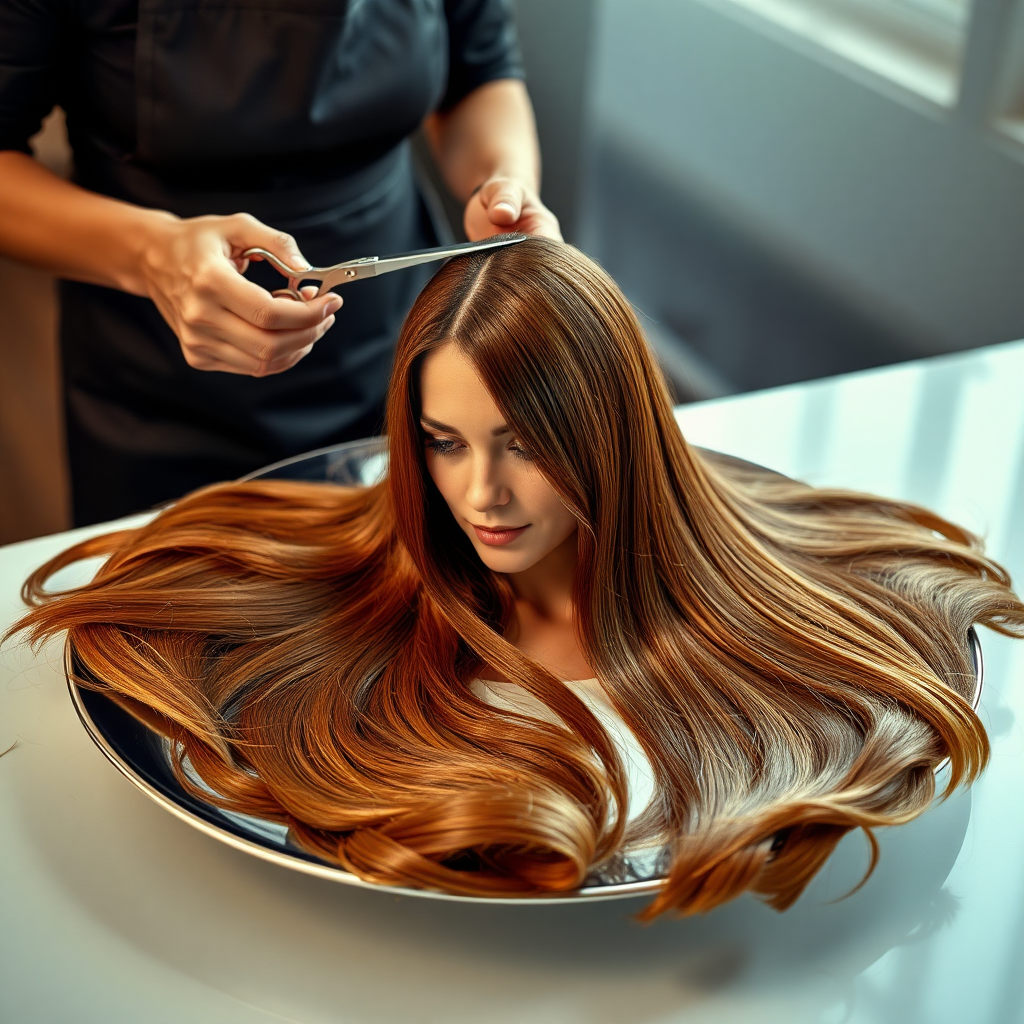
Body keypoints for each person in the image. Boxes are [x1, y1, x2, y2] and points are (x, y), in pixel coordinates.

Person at [11, 238, 1024, 918]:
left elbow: (480, 58)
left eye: (524, 445)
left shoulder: (777, 645)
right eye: (443, 443)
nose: (480, 493)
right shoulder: (365, 632)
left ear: (608, 432)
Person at [0, 0, 560, 526]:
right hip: (156, 386)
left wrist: (503, 182)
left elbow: (479, 72)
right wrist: (150, 255)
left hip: (393, 351)